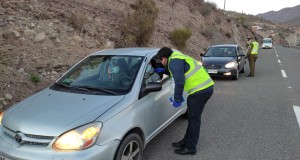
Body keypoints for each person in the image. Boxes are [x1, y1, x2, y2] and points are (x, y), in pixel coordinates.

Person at [155, 47, 214, 155]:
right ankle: (186, 141)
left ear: (164, 59)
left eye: (161, 61)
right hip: (203, 88)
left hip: (201, 91)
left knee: (194, 120)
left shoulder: (173, 61)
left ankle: (191, 148)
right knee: (192, 117)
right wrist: (164, 70)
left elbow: (180, 82)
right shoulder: (176, 57)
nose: (162, 63)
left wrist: (177, 99)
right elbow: (178, 69)